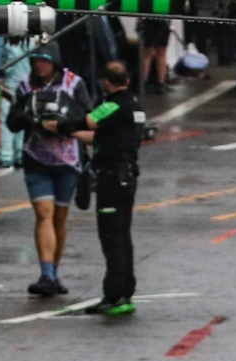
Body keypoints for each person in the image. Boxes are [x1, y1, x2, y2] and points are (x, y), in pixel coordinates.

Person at [57, 61, 145, 316]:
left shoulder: (113, 105)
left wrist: (59, 127)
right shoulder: (135, 106)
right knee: (123, 235)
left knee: (111, 237)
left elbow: (87, 122)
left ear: (107, 82)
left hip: (111, 179)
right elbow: (101, 136)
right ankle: (122, 291)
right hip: (127, 177)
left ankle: (115, 294)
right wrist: (73, 135)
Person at [6, 43, 92, 298]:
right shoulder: (24, 85)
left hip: (67, 161)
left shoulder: (75, 84)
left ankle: (54, 270)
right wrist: (28, 118)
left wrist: (64, 124)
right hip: (36, 159)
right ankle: (46, 274)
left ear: (54, 62)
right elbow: (12, 121)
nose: (39, 66)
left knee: (59, 218)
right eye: (35, 61)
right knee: (44, 213)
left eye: (44, 61)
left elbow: (88, 117)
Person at [141, 17, 173, 93]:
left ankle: (144, 83)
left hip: (149, 19)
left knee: (148, 54)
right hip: (162, 19)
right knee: (160, 53)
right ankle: (160, 83)